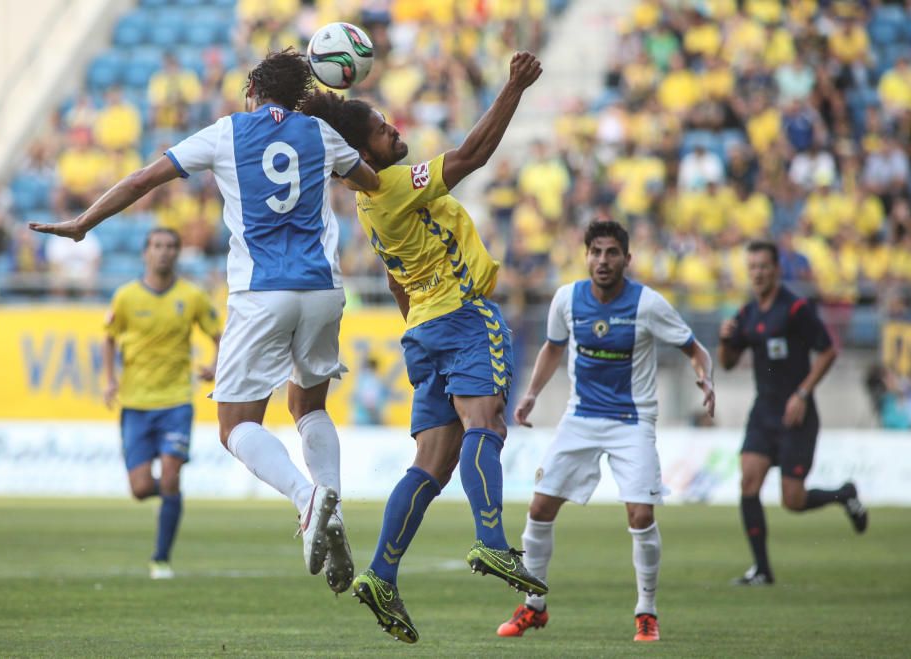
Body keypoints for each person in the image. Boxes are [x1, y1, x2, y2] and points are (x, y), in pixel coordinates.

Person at [31, 49, 381, 593]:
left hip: (261, 291)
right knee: (309, 405)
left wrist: (84, 222)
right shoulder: (319, 133)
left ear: (252, 91)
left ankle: (307, 498)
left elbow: (146, 179)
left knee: (236, 426)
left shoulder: (225, 133)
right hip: (323, 289)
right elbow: (372, 182)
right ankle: (332, 504)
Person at [303, 51, 545, 643]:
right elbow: (470, 157)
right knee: (485, 426)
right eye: (385, 130)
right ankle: (491, 542)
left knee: (431, 464)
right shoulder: (389, 185)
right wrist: (513, 87)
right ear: (364, 155)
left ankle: (382, 575)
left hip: (425, 330)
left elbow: (394, 280)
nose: (396, 131)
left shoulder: (367, 203)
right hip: (464, 317)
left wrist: (424, 331)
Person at [494, 220, 716, 643]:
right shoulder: (567, 299)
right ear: (586, 256)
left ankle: (646, 613)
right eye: (595, 252)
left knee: (641, 515)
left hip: (631, 422)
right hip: (580, 417)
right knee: (539, 509)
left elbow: (694, 348)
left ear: (627, 260)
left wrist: (704, 378)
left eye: (612, 252)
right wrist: (530, 395)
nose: (602, 260)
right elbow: (553, 347)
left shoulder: (647, 304)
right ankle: (533, 606)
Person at [718, 240, 868, 586]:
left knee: (793, 499)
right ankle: (762, 570)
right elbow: (726, 364)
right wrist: (725, 341)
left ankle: (844, 494)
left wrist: (802, 392)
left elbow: (829, 351)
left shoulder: (796, 308)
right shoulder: (747, 313)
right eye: (752, 266)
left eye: (763, 266)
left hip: (795, 413)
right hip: (763, 410)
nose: (757, 273)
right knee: (748, 480)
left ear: (777, 269)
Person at [104, 228, 221, 579]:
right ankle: (172, 498)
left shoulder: (192, 296)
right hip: (136, 403)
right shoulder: (125, 297)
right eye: (157, 246)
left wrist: (216, 365)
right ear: (145, 253)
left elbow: (220, 335)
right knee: (141, 489)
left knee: (170, 475)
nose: (164, 253)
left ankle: (160, 558)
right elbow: (108, 339)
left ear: (178, 253)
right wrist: (110, 380)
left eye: (171, 247)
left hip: (175, 402)